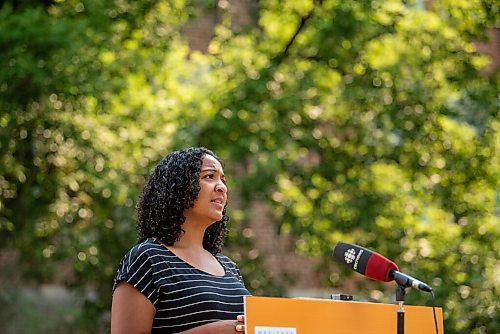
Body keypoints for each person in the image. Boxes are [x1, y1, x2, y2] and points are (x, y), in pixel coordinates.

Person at [111, 147, 251, 333]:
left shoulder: (230, 267)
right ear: (179, 187)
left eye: (223, 180)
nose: (222, 187)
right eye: (209, 176)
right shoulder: (147, 259)